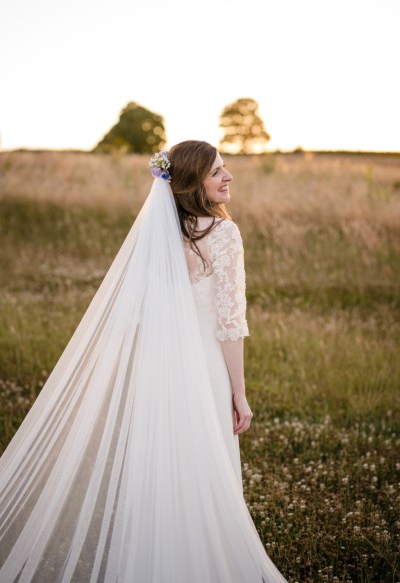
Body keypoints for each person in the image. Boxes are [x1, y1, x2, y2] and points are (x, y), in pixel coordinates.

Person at [0, 140, 287, 582]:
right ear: (192, 182)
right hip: (204, 370)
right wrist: (240, 393)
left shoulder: (158, 235)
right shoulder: (224, 234)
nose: (228, 177)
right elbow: (230, 323)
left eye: (226, 168)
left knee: (160, 468)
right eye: (216, 172)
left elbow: (137, 316)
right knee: (203, 471)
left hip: (158, 371)